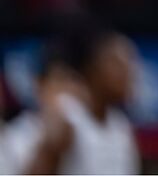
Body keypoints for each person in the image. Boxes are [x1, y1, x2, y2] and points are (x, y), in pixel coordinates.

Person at [3, 19, 141, 175]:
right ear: (92, 68)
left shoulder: (121, 126)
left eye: (130, 65)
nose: (129, 73)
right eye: (118, 65)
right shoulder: (68, 116)